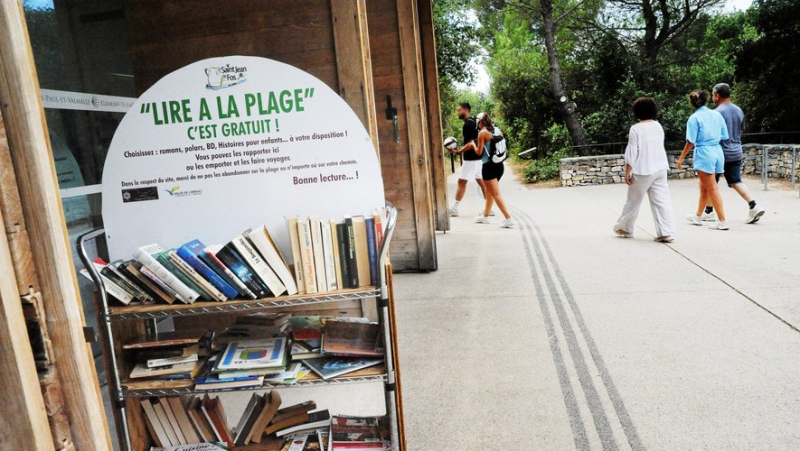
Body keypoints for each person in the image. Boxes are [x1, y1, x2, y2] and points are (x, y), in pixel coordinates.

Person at [700, 83, 765, 224]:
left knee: (710, 184)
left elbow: (712, 135)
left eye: (713, 94)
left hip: (720, 153)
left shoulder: (716, 113)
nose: (712, 97)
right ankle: (753, 205)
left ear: (717, 95)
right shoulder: (739, 110)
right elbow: (741, 131)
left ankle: (709, 213)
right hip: (736, 151)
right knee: (736, 181)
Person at [613, 98, 676, 242]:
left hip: (643, 170)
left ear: (637, 112)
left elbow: (632, 152)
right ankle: (665, 232)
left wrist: (628, 170)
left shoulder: (636, 128)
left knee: (633, 201)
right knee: (661, 200)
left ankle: (625, 228)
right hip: (660, 167)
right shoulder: (658, 126)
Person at [677, 89, 730, 230]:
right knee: (704, 186)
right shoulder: (717, 115)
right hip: (717, 152)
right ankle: (698, 216)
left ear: (692, 103)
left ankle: (722, 221)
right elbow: (724, 136)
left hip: (704, 153)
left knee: (712, 188)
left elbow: (690, 141)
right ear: (707, 100)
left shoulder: (694, 119)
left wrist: (681, 158)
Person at [472, 112, 515, 228]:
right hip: (499, 165)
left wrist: (472, 145)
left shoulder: (482, 133)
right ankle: (485, 216)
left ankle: (508, 218)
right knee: (489, 192)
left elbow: (479, 153)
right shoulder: (497, 130)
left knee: (495, 193)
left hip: (488, 167)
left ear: (480, 122)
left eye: (478, 123)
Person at [448, 102, 490, 217]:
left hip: (471, 159)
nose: (458, 112)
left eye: (459, 110)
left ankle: (455, 208)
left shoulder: (468, 125)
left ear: (466, 110)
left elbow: (470, 144)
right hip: (478, 158)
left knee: (461, 182)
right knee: (482, 182)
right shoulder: (474, 122)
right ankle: (489, 208)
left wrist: (457, 152)